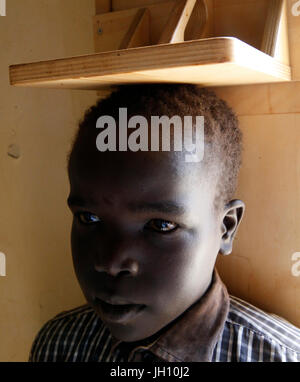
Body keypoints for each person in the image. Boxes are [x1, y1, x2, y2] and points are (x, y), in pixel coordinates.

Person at [28, 83, 300, 362]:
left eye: (160, 226)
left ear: (226, 228)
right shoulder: (57, 345)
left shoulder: (281, 356)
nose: (111, 262)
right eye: (89, 218)